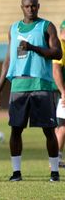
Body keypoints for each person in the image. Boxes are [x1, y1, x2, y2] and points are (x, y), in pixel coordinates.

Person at [0, 0, 62, 182]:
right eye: (27, 6)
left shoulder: (46, 26)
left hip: (41, 83)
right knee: (16, 129)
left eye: (33, 6)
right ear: (21, 7)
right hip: (19, 85)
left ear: (38, 6)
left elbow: (57, 52)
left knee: (49, 129)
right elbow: (8, 60)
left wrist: (33, 48)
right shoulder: (13, 29)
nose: (30, 9)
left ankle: (54, 172)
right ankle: (16, 172)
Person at [52, 20, 65, 167]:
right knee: (63, 126)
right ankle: (55, 159)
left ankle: (56, 159)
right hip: (59, 91)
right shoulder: (60, 46)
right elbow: (56, 71)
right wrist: (63, 92)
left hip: (61, 90)